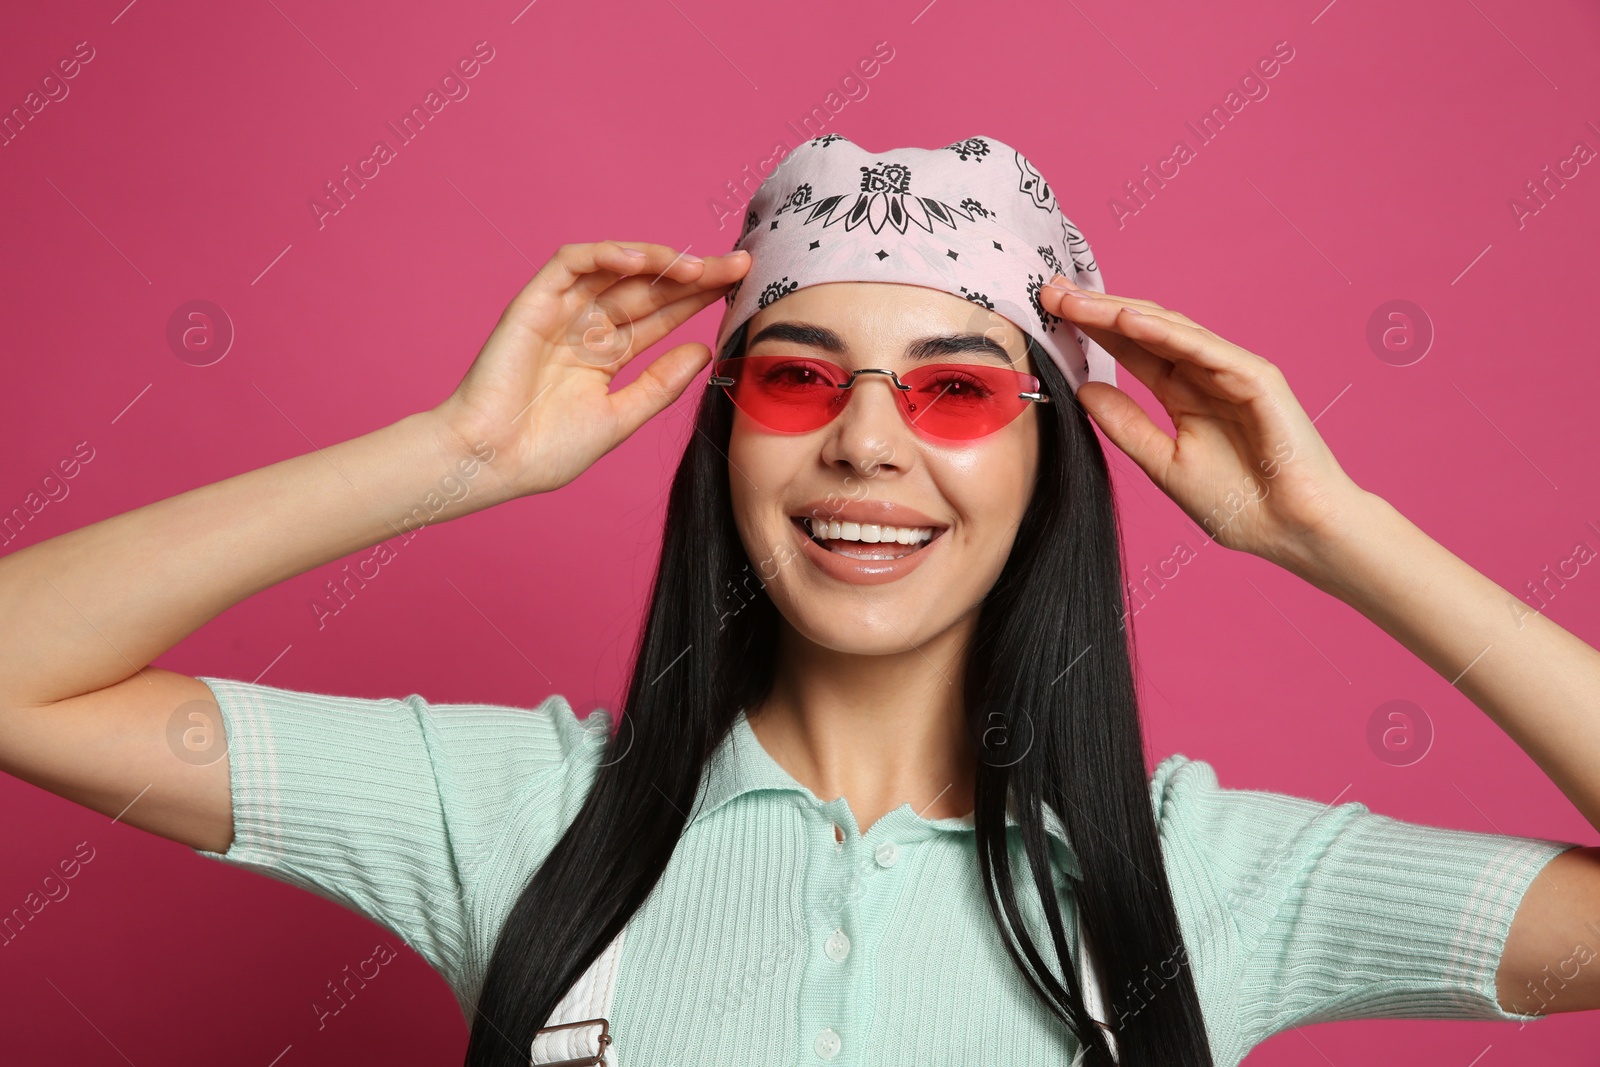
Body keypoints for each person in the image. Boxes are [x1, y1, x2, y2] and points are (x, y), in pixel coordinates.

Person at [1, 135, 1597, 1067]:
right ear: (727, 434)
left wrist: (1337, 531)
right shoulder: (506, 814)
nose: (866, 442)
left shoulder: (1204, 882)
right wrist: (457, 453)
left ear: (1052, 461)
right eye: (798, 376)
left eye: (959, 391)